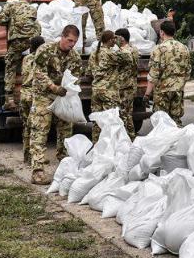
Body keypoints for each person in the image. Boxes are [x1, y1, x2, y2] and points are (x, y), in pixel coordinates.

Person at [29, 24, 83, 185]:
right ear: (62, 36)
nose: (72, 44)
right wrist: (53, 87)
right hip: (44, 95)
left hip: (63, 97)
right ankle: (37, 171)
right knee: (40, 131)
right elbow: (38, 72)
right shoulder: (46, 50)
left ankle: (65, 166)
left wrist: (70, 89)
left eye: (74, 41)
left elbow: (76, 77)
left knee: (66, 131)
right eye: (69, 40)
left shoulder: (74, 57)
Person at [87, 30, 133, 142]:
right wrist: (120, 44)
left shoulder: (94, 53)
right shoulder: (110, 53)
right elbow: (128, 58)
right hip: (109, 91)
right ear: (111, 40)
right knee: (111, 121)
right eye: (114, 39)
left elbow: (88, 73)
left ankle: (96, 146)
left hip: (96, 90)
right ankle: (110, 148)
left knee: (97, 121)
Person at [0, 0, 41, 109]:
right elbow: (35, 24)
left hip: (16, 41)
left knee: (10, 65)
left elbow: (1, 21)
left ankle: (9, 99)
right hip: (31, 41)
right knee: (32, 64)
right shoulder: (33, 9)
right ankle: (33, 92)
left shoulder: (11, 5)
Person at [145, 20, 190, 126]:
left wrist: (147, 94)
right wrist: (179, 84)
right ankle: (178, 141)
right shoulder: (184, 48)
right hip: (178, 89)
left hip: (162, 91)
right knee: (176, 120)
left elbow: (153, 75)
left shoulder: (158, 49)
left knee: (162, 122)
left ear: (161, 32)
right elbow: (188, 72)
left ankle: (164, 142)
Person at [20, 35, 45, 164]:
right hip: (33, 95)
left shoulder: (25, 58)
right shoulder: (40, 58)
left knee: (26, 126)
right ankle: (35, 158)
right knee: (36, 128)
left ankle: (26, 156)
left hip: (24, 94)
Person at [115, 28, 139, 139]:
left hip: (123, 87)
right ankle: (131, 137)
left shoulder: (122, 52)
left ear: (122, 38)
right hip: (131, 85)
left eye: (116, 37)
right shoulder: (134, 50)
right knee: (128, 114)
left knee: (123, 114)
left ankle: (126, 139)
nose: (114, 40)